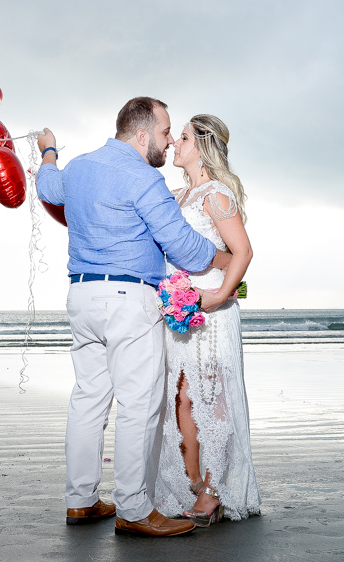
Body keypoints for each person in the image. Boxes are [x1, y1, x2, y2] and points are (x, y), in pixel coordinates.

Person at [35, 97, 232, 537]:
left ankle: (81, 502)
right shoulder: (143, 177)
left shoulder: (82, 167)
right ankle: (135, 509)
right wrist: (225, 256)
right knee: (139, 406)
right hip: (128, 297)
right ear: (142, 135)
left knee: (88, 399)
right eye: (165, 133)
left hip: (82, 295)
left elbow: (48, 187)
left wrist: (48, 151)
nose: (167, 142)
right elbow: (181, 246)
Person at [154, 114, 261, 526]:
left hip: (211, 313)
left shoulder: (216, 195)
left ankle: (215, 491)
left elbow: (243, 252)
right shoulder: (178, 196)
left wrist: (217, 296)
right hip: (182, 311)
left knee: (212, 398)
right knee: (182, 395)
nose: (174, 144)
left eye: (181, 137)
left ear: (201, 145)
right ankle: (194, 480)